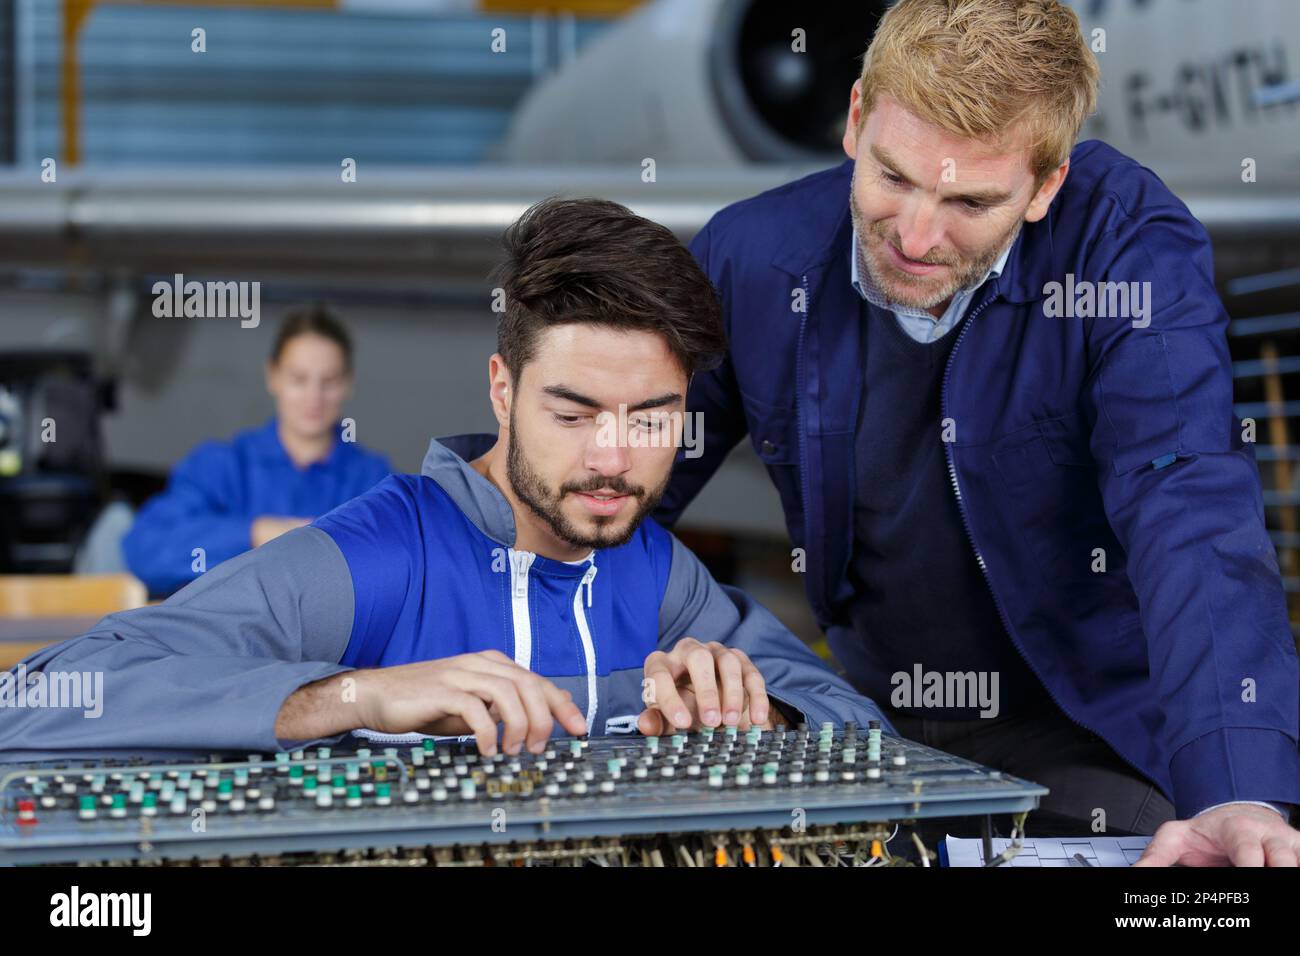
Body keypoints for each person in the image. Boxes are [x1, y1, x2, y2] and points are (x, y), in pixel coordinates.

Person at [655, 0, 1300, 866]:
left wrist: (1236, 789)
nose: (916, 238)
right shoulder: (752, 259)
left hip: (1093, 729)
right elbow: (615, 493)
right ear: (854, 120)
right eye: (894, 178)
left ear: (1046, 187)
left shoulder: (1127, 252)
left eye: (969, 200)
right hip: (871, 721)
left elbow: (1186, 502)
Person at [0, 197, 889, 762]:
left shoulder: (660, 578)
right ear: (502, 389)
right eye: (574, 415)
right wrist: (356, 695)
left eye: (651, 418)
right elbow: (33, 701)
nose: (615, 459)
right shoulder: (373, 562)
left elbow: (863, 735)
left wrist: (763, 718)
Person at [121, 306, 391, 597]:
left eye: (329, 382)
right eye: (299, 379)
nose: (314, 397)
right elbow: (144, 550)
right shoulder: (220, 467)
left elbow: (400, 569)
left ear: (348, 383)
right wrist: (255, 532)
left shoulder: (375, 481)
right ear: (272, 376)